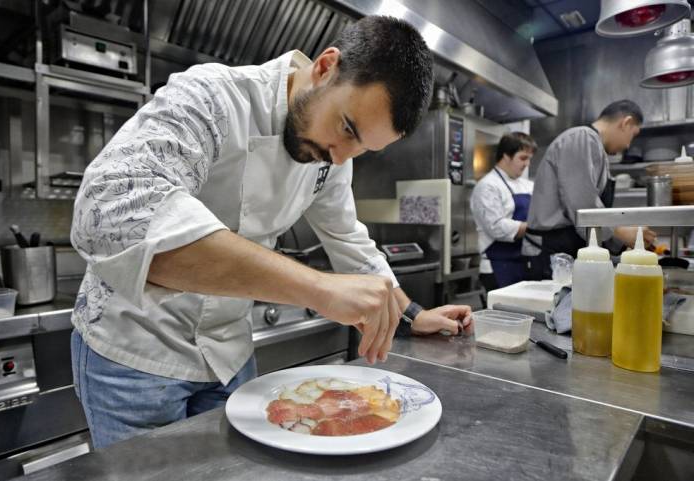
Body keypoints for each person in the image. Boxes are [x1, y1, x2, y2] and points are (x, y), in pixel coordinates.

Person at [69, 16, 473, 449]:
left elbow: (350, 240)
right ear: (325, 67)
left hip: (230, 356)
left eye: (362, 149)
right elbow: (110, 213)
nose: (340, 159)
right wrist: (317, 288)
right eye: (348, 129)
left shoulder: (332, 156)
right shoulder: (211, 95)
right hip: (135, 355)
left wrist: (411, 314)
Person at [523, 100, 656, 280]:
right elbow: (582, 206)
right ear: (626, 123)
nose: (627, 145)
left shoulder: (594, 147)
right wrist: (620, 232)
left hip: (565, 247)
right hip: (553, 251)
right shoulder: (581, 137)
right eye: (633, 135)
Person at [470, 132, 537, 290]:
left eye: (529, 159)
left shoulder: (528, 185)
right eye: (523, 158)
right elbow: (496, 227)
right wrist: (535, 227)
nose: (527, 164)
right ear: (506, 155)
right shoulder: (488, 186)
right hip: (498, 266)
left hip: (523, 263)